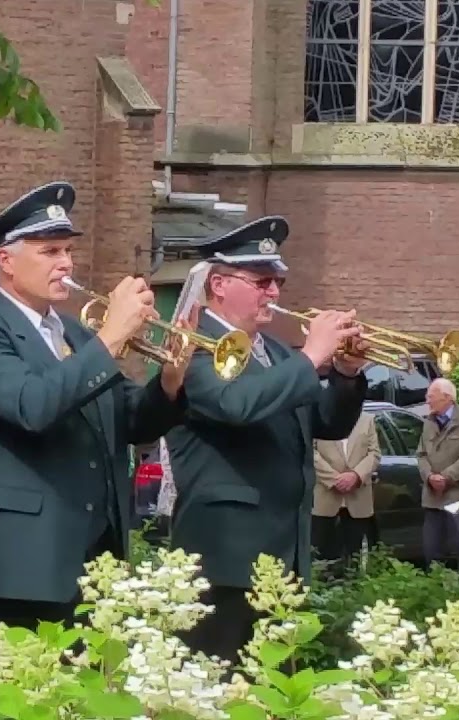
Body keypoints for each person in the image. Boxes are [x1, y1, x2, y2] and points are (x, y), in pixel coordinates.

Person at [0, 180, 189, 645]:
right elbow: (32, 407)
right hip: (17, 568)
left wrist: (171, 381)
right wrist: (110, 339)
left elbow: (129, 419)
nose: (67, 264)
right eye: (51, 251)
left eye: (68, 251)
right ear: (7, 262)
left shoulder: (74, 334)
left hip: (95, 562)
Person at [164, 216, 367, 663]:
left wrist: (347, 374)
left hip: (282, 557)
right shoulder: (193, 344)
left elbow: (326, 423)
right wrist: (313, 356)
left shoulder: (275, 352)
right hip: (222, 559)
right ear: (218, 284)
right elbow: (235, 406)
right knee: (215, 690)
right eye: (262, 281)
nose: (274, 292)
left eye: (277, 281)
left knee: (270, 693)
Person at [417, 377, 459, 568]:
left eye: (431, 396)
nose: (427, 400)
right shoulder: (428, 422)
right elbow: (421, 455)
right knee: (430, 549)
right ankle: (436, 590)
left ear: (447, 398)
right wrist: (430, 476)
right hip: (433, 496)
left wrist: (446, 477)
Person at [312, 410, 380, 577]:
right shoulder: (318, 418)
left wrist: (356, 476)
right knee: (321, 552)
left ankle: (353, 588)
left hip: (357, 499)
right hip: (325, 499)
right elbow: (310, 452)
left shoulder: (367, 420)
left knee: (354, 554)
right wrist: (335, 479)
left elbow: (374, 453)